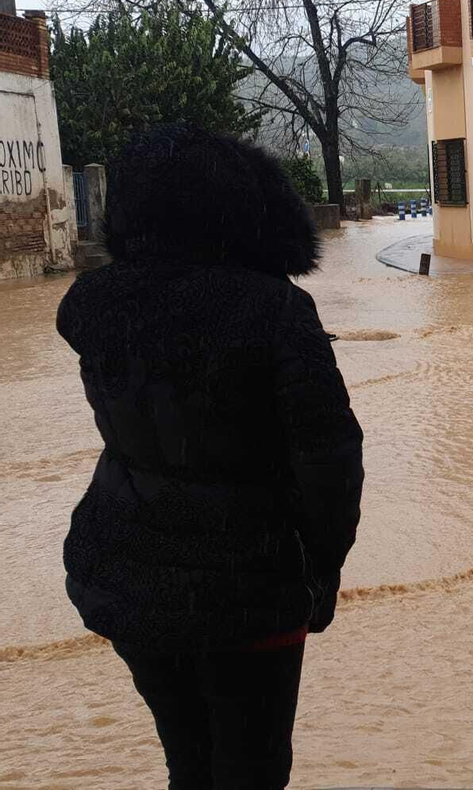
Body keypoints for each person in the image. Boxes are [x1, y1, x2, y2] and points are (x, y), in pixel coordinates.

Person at [56, 124, 365, 789]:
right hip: (250, 586)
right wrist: (324, 573)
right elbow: (330, 459)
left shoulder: (91, 305)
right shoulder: (276, 310)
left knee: (188, 760)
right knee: (253, 768)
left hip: (124, 573)